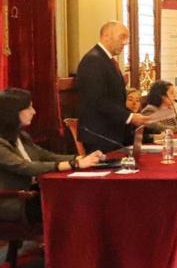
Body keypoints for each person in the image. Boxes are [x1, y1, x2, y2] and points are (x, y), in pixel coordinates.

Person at [0, 89, 103, 222]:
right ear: (13, 112)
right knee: (73, 206)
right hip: (13, 201)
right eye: (29, 107)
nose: (34, 111)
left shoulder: (20, 136)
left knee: (83, 197)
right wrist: (74, 165)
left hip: (33, 194)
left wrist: (80, 158)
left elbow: (46, 155)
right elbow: (25, 167)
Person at [75, 21, 148, 152]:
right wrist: (129, 117)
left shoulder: (106, 60)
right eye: (122, 37)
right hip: (100, 135)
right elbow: (97, 100)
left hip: (111, 133)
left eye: (127, 38)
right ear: (106, 35)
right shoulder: (94, 60)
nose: (125, 42)